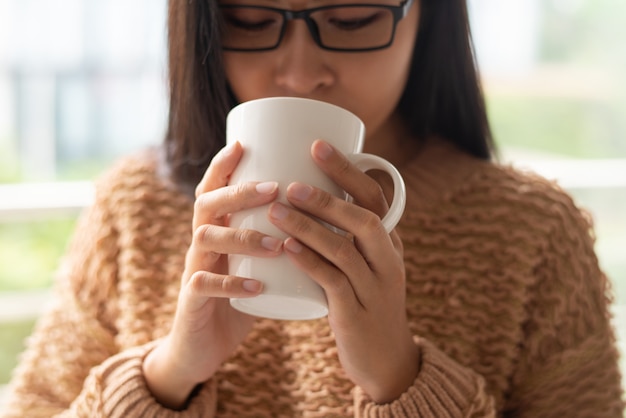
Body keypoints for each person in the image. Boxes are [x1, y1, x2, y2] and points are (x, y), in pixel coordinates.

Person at [2, 0, 624, 415]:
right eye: (249, 20)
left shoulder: (532, 232)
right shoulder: (133, 209)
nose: (299, 73)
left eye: (352, 19)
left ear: (427, 20)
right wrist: (170, 372)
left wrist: (400, 377)